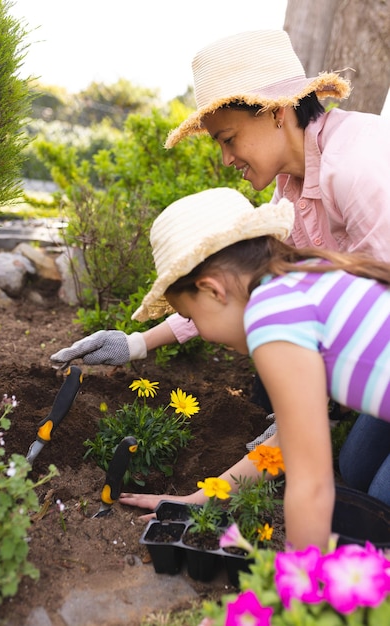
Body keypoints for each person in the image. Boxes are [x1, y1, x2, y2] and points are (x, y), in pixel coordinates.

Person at [50, 30, 390, 509]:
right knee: (355, 469)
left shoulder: (359, 169)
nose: (226, 158)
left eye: (228, 139)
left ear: (276, 111)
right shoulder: (291, 190)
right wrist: (137, 343)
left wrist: (305, 410)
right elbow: (233, 290)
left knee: (379, 495)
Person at [128, 186, 390, 549]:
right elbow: (284, 443)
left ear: (213, 290)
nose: (198, 331)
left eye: (191, 316)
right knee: (359, 470)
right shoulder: (298, 278)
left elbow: (311, 485)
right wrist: (199, 499)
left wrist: (295, 596)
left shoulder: (271, 318)